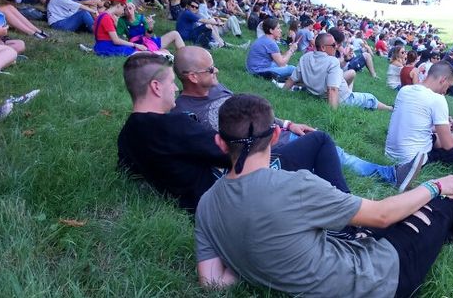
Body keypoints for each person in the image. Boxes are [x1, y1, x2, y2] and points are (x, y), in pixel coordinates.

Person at [193, 93, 453, 298]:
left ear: (220, 142)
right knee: (450, 199)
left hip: (340, 263)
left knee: (412, 211)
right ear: (275, 137)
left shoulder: (208, 204)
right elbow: (381, 216)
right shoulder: (294, 185)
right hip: (376, 282)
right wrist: (436, 185)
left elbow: (211, 283)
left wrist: (252, 254)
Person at [116, 51, 413, 214]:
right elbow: (230, 154)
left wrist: (281, 126)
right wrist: (270, 141)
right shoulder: (177, 122)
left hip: (213, 191)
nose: (174, 88)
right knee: (319, 141)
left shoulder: (128, 135)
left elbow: (130, 171)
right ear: (155, 87)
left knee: (310, 146)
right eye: (170, 83)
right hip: (232, 190)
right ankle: (353, 215)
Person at [171, 46, 425, 192]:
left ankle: (386, 176)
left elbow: (251, 111)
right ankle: (387, 178)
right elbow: (211, 152)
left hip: (272, 138)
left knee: (325, 145)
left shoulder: (218, 88)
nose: (216, 71)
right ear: (192, 77)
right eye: (209, 69)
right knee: (326, 149)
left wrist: (288, 124)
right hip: (259, 157)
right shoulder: (185, 112)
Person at [284, 33, 392, 111]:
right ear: (323, 47)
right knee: (370, 98)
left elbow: (292, 79)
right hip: (340, 98)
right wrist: (333, 113)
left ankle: (350, 92)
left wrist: (283, 91)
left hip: (319, 92)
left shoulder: (305, 57)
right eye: (333, 45)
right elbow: (332, 89)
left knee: (351, 73)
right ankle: (391, 108)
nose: (335, 47)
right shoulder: (332, 61)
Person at [117, 2, 184, 52]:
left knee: (175, 34)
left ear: (134, 8)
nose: (128, 11)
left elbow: (149, 36)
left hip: (150, 42)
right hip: (137, 46)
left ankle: (184, 54)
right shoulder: (122, 21)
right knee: (165, 52)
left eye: (130, 8)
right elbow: (119, 37)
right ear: (123, 11)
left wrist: (150, 27)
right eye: (125, 9)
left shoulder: (142, 18)